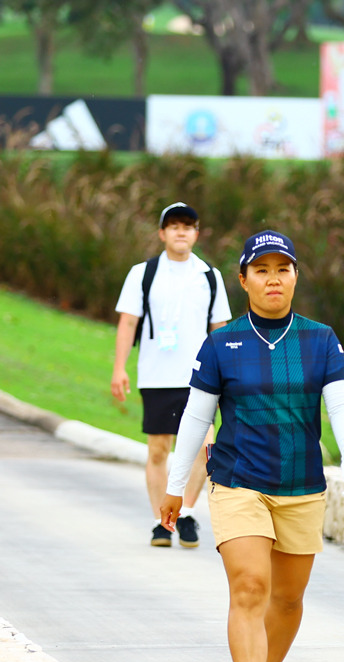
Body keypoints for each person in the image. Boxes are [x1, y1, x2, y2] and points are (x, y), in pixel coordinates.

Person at [159, 230, 344, 662]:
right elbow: (194, 417)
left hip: (301, 486)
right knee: (250, 586)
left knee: (289, 599)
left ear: (295, 275)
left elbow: (339, 402)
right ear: (244, 280)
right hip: (238, 481)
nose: (274, 279)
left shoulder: (319, 340)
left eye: (283, 269)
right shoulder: (222, 343)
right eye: (262, 270)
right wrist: (175, 483)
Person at [111, 202, 232, 548]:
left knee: (201, 448)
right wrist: (119, 368)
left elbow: (219, 329)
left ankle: (188, 513)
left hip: (200, 378)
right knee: (159, 450)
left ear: (197, 233)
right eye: (174, 225)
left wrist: (226, 376)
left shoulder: (209, 276)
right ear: (162, 233)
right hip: (156, 375)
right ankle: (161, 523)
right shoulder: (143, 273)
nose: (181, 231)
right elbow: (128, 322)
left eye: (188, 225)